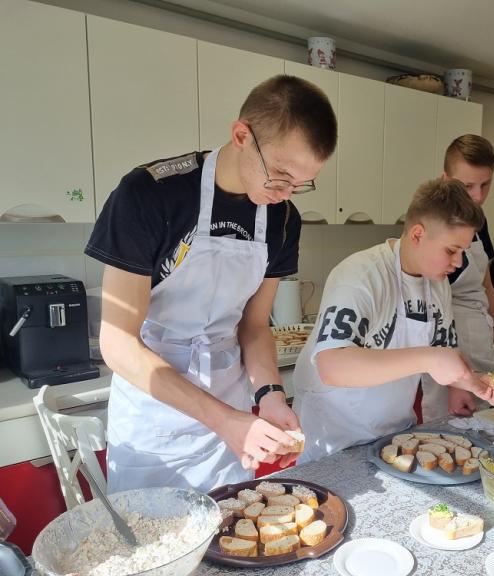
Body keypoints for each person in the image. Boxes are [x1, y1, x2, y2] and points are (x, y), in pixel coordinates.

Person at [86, 75, 337, 493]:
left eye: (300, 183)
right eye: (279, 174)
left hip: (230, 413)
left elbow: (254, 327)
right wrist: (225, 420)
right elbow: (119, 343)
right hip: (154, 422)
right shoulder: (150, 194)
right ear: (242, 135)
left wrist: (271, 395)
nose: (285, 192)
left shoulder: (283, 219)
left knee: (228, 539)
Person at [292, 179, 494, 463]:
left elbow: (443, 347)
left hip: (393, 437)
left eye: (463, 252)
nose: (458, 262)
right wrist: (428, 359)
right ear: (418, 234)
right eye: (451, 250)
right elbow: (332, 366)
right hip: (334, 440)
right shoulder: (360, 276)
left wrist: (467, 384)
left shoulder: (438, 285)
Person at [421, 135, 494, 421]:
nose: (477, 196)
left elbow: (485, 283)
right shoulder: (434, 229)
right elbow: (430, 311)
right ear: (445, 179)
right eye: (467, 186)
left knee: (492, 427)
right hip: (450, 358)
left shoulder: (478, 220)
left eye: (485, 184)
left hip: (481, 345)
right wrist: (456, 381)